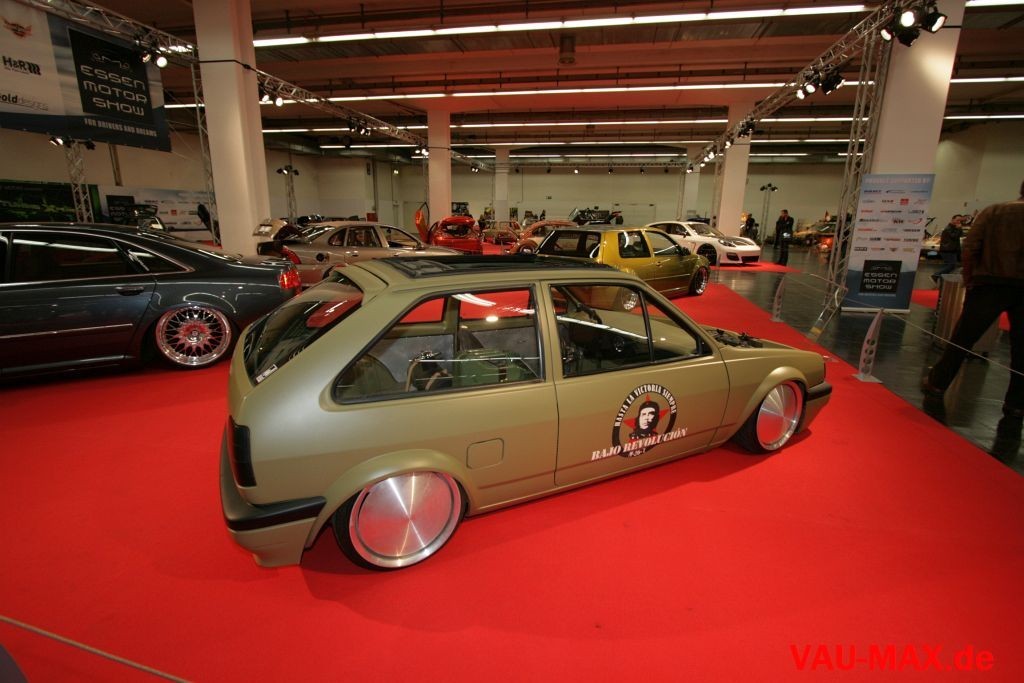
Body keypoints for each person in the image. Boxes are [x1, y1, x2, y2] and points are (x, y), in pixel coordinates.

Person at [923, 180, 1024, 437]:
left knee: (962, 338)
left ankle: (937, 384)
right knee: (1022, 351)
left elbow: (970, 246)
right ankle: (1016, 404)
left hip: (989, 283)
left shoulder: (995, 211)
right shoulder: (995, 211)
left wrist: (970, 279)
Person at [931, 214, 964, 285]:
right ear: (952, 220)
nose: (959, 222)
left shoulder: (954, 228)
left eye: (960, 221)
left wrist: (959, 229)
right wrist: (959, 229)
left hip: (951, 250)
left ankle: (941, 279)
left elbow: (960, 235)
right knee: (951, 266)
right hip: (948, 251)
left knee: (950, 266)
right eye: (957, 220)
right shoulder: (949, 228)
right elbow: (954, 236)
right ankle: (936, 275)